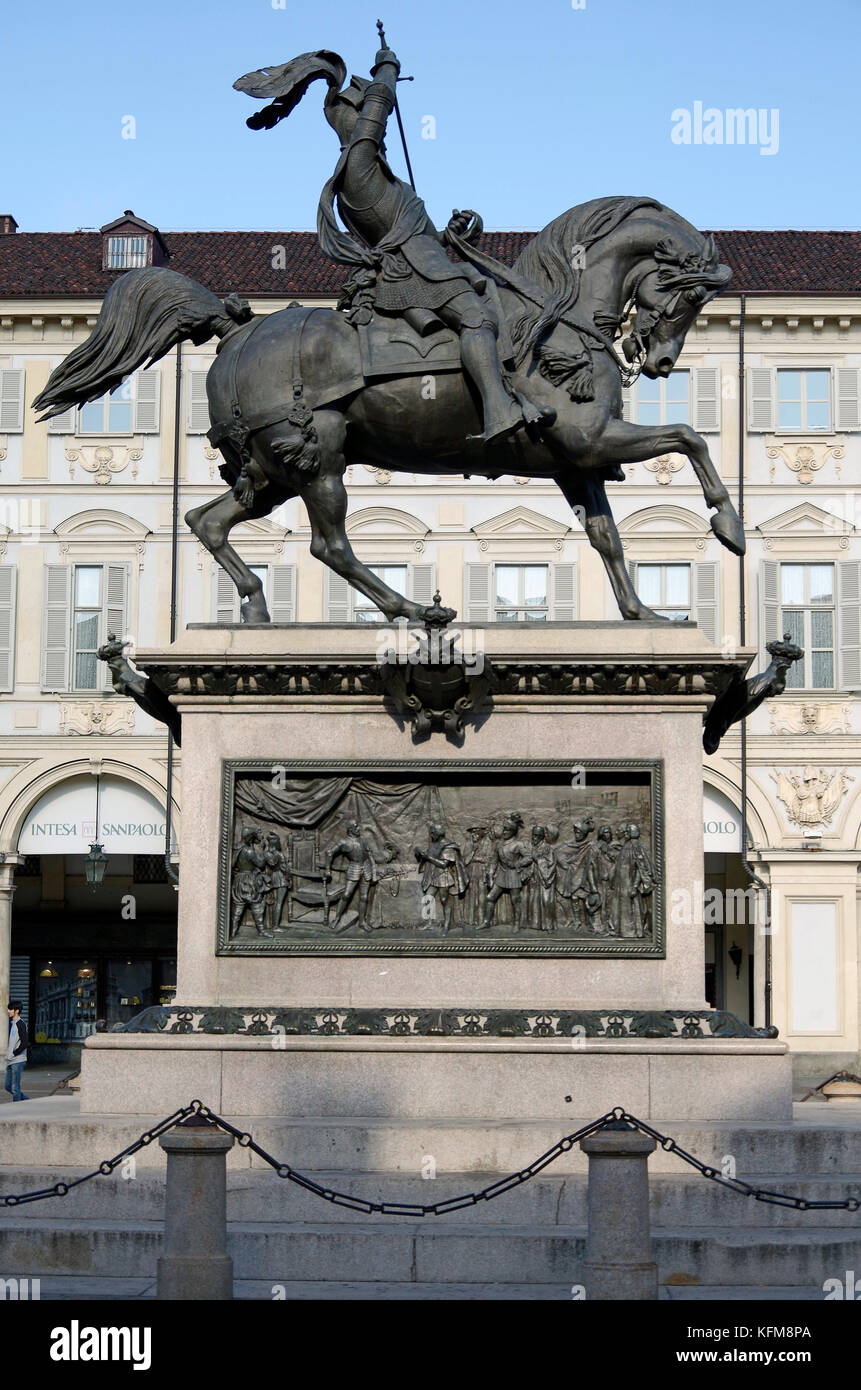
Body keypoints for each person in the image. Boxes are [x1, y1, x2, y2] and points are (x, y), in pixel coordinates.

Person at [414, 823, 468, 934]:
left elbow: (444, 864)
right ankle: (429, 923)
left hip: (444, 876)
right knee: (428, 897)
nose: (431, 835)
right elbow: (428, 856)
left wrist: (427, 857)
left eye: (433, 833)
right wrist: (419, 853)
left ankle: (447, 925)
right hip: (432, 874)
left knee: (444, 900)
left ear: (438, 834)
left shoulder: (448, 846)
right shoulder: (434, 844)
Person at [5, 1000, 28, 1102]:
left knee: (15, 1088)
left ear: (17, 1011)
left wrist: (14, 1053)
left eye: (10, 1009)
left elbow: (24, 1043)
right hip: (10, 1060)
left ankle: (16, 1108)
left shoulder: (20, 1024)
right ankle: (27, 1100)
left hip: (18, 1060)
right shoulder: (13, 1024)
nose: (8, 1011)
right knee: (8, 1086)